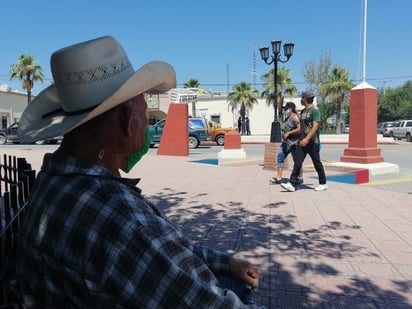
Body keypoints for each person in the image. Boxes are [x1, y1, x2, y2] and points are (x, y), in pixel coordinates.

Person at [11, 36, 265, 308]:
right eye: (145, 114)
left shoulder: (53, 179)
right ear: (127, 123)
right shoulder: (122, 219)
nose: (147, 123)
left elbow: (165, 252)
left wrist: (224, 261)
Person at [281, 91, 328, 192]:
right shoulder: (302, 112)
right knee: (298, 161)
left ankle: (323, 183)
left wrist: (307, 139)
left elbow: (315, 126)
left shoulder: (315, 110)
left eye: (302, 97)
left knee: (317, 163)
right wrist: (301, 139)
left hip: (312, 142)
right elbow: (302, 127)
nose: (301, 99)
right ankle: (292, 183)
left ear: (305, 98)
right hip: (302, 142)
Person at [269, 102, 303, 184]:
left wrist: (289, 133)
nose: (285, 110)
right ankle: (279, 178)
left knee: (297, 160)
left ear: (291, 108)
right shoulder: (287, 118)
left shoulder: (295, 117)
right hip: (285, 142)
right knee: (280, 157)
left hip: (294, 142)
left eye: (286, 108)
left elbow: (300, 128)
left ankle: (300, 177)